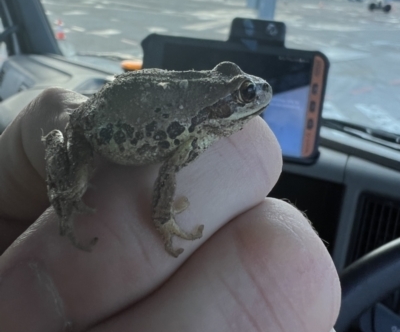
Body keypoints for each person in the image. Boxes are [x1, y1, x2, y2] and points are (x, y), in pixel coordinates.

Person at [0, 88, 340, 331]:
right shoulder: (197, 133)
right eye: (245, 95)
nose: (259, 95)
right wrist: (163, 220)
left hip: (111, 108)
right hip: (94, 133)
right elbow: (167, 172)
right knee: (74, 186)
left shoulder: (205, 129)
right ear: (222, 106)